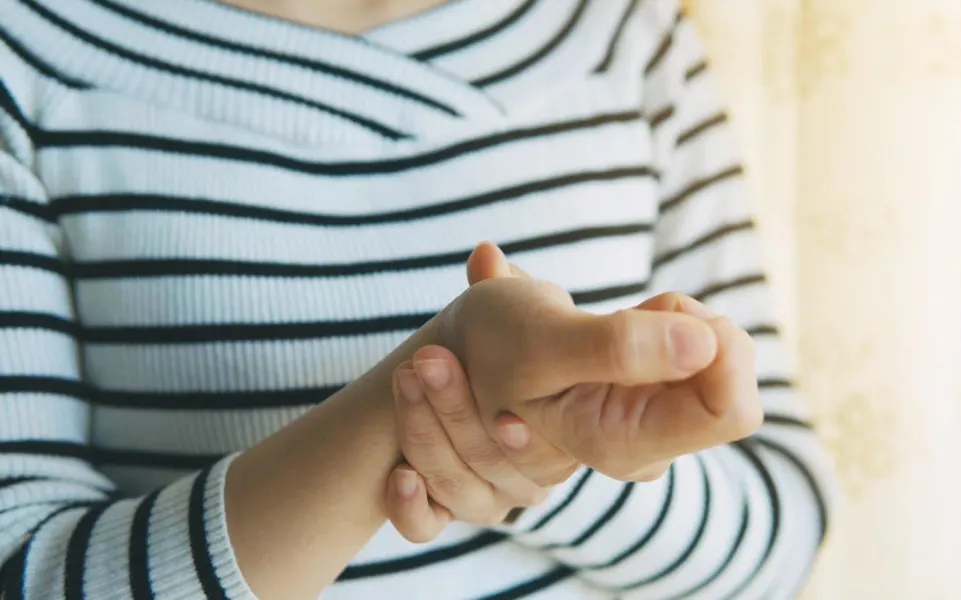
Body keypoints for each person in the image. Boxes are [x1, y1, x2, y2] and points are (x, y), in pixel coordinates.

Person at [0, 0, 836, 598]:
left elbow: (782, 527)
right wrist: (434, 397)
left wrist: (553, 446)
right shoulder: (32, 54)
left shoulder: (624, 35)